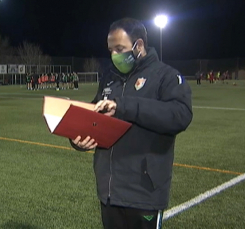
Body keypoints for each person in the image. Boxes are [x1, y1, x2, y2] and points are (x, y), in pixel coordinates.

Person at [70, 18, 193, 229]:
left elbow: (180, 115)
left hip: (144, 193)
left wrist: (123, 106)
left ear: (139, 45)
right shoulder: (109, 78)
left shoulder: (166, 76)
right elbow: (94, 117)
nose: (115, 55)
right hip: (109, 191)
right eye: (111, 50)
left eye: (120, 48)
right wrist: (77, 138)